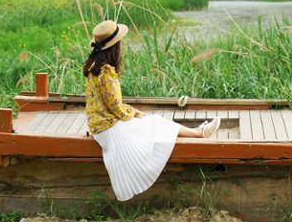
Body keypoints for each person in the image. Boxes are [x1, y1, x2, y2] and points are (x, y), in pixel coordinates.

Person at [84, 19, 221, 201]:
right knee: (154, 122)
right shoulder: (106, 73)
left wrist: (135, 114)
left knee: (151, 122)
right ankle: (198, 133)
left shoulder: (93, 67)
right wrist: (137, 115)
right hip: (109, 128)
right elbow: (116, 108)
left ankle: (198, 131)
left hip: (98, 125)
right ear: (115, 46)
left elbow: (107, 105)